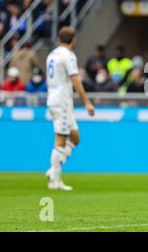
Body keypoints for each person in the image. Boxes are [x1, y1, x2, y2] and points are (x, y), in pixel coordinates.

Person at [45, 27, 95, 191]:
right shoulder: (68, 56)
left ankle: (54, 171)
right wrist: (86, 101)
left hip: (54, 98)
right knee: (60, 139)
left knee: (75, 137)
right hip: (62, 101)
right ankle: (54, 179)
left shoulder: (52, 55)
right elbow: (75, 80)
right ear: (73, 39)